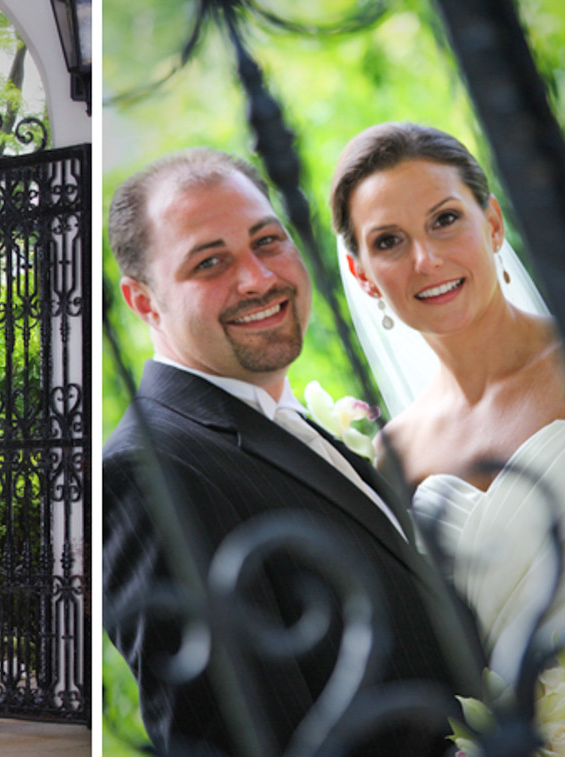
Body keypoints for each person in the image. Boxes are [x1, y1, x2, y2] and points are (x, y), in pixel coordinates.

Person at [104, 147, 481, 755]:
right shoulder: (150, 472)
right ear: (145, 301)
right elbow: (231, 738)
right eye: (210, 262)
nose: (257, 278)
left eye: (268, 241)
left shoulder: (289, 420)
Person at [329, 122, 565, 661]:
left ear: (494, 223)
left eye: (445, 220)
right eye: (389, 241)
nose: (425, 260)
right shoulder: (396, 453)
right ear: (362, 275)